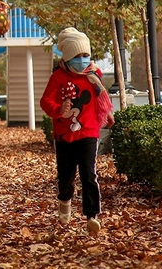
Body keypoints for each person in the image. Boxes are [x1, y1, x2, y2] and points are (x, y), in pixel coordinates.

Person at [39, 27, 114, 234]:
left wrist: (106, 113)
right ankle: (65, 200)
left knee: (89, 174)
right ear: (69, 57)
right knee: (66, 177)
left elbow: (101, 96)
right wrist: (59, 111)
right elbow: (45, 102)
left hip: (89, 132)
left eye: (86, 55)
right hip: (64, 136)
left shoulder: (94, 73)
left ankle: (92, 215)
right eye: (79, 56)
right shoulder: (58, 77)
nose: (83, 59)